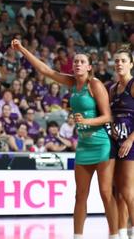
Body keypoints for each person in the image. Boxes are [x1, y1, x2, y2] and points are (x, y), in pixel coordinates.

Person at [12, 39, 118, 239]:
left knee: (105, 193)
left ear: (89, 67)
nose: (77, 64)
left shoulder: (94, 84)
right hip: (84, 145)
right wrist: (21, 49)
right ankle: (77, 236)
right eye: (75, 61)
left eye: (81, 62)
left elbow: (107, 117)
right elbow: (45, 70)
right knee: (80, 195)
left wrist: (86, 119)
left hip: (102, 144)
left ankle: (114, 235)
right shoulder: (71, 82)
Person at [109, 47, 134, 239]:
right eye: (116, 61)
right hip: (116, 142)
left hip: (131, 143)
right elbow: (110, 117)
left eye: (123, 60)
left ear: (131, 64)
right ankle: (119, 233)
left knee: (127, 191)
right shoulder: (111, 88)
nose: (119, 64)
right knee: (117, 192)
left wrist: (130, 140)